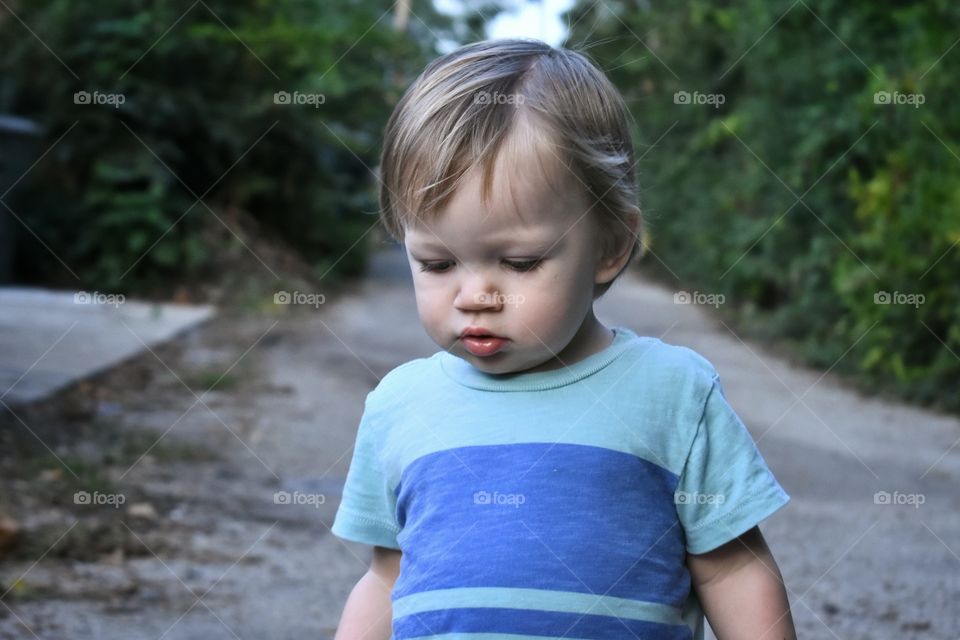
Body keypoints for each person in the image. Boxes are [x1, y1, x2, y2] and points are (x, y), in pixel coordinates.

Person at [332, 38, 796, 640]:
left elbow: (733, 571)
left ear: (609, 246)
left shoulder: (673, 396)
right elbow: (388, 579)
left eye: (520, 263)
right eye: (437, 263)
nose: (474, 296)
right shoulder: (399, 406)